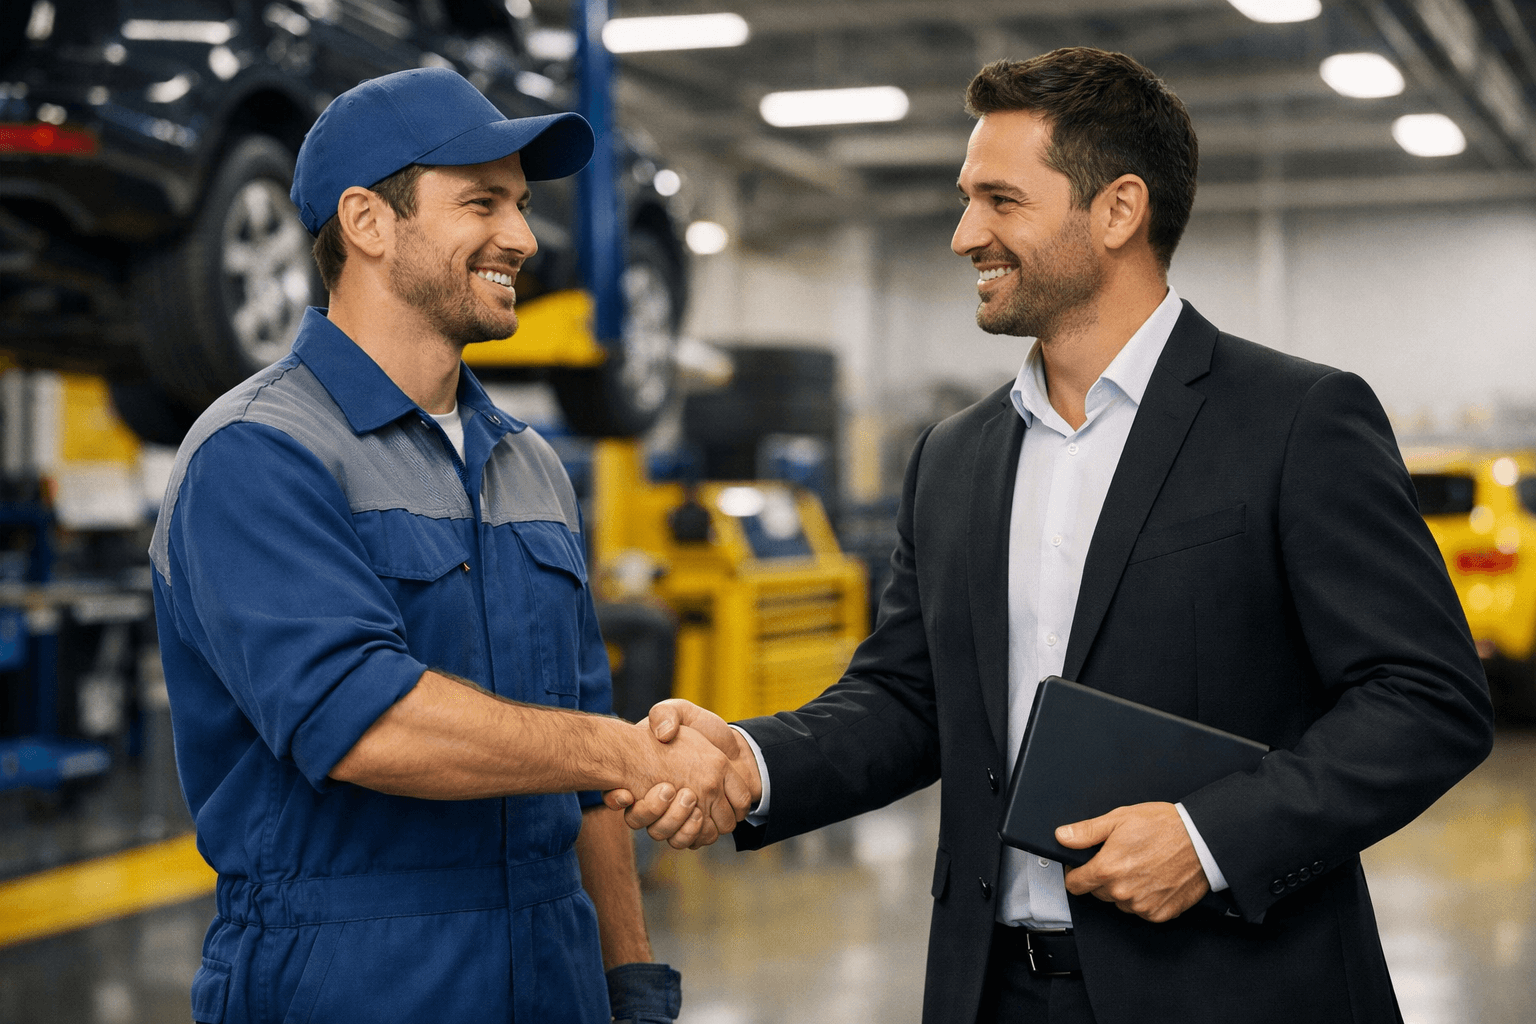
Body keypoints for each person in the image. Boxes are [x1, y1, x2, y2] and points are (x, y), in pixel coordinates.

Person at [612, 47, 1494, 1024]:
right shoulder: (954, 456)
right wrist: (751, 760)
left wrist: (1209, 837)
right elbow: (910, 697)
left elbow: (1425, 696)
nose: (963, 235)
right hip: (998, 990)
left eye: (1000, 201)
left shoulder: (1296, 421)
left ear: (1118, 210)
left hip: (1234, 988)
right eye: (965, 199)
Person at [150, 67, 749, 1024]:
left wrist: (630, 980)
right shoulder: (259, 454)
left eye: (519, 203)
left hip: (554, 981)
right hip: (350, 987)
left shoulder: (532, 467)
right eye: (482, 201)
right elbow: (368, 722)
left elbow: (588, 783)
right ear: (368, 222)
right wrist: (628, 753)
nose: (522, 236)